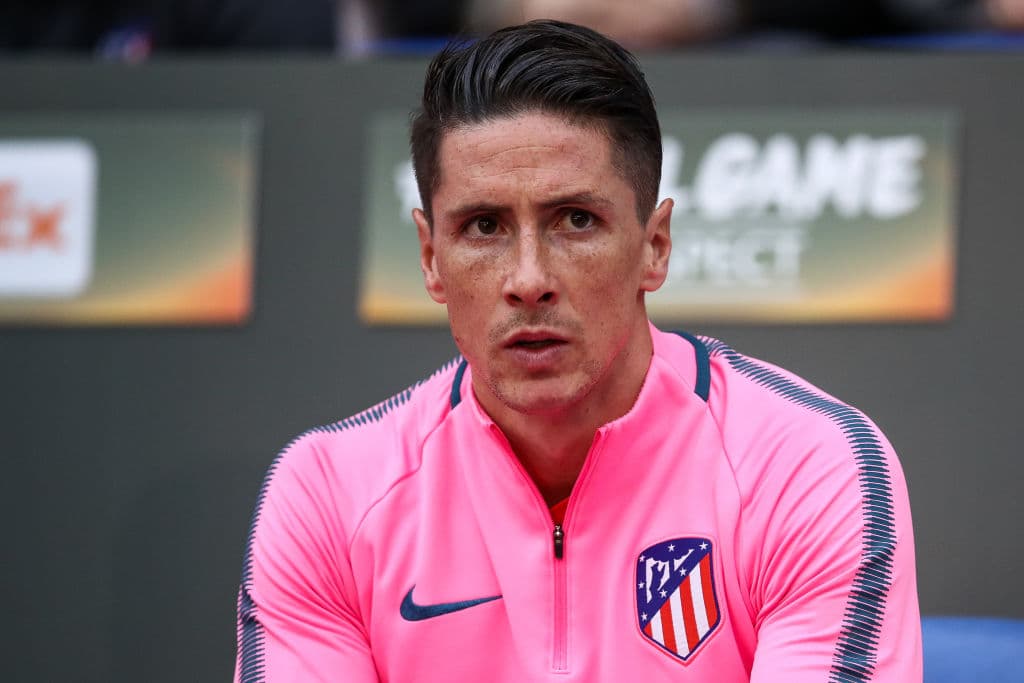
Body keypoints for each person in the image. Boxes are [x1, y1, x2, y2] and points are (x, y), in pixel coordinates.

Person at [234, 20, 922, 682]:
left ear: (654, 246)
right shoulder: (328, 496)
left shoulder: (806, 466)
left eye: (576, 220)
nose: (529, 280)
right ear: (430, 256)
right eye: (483, 226)